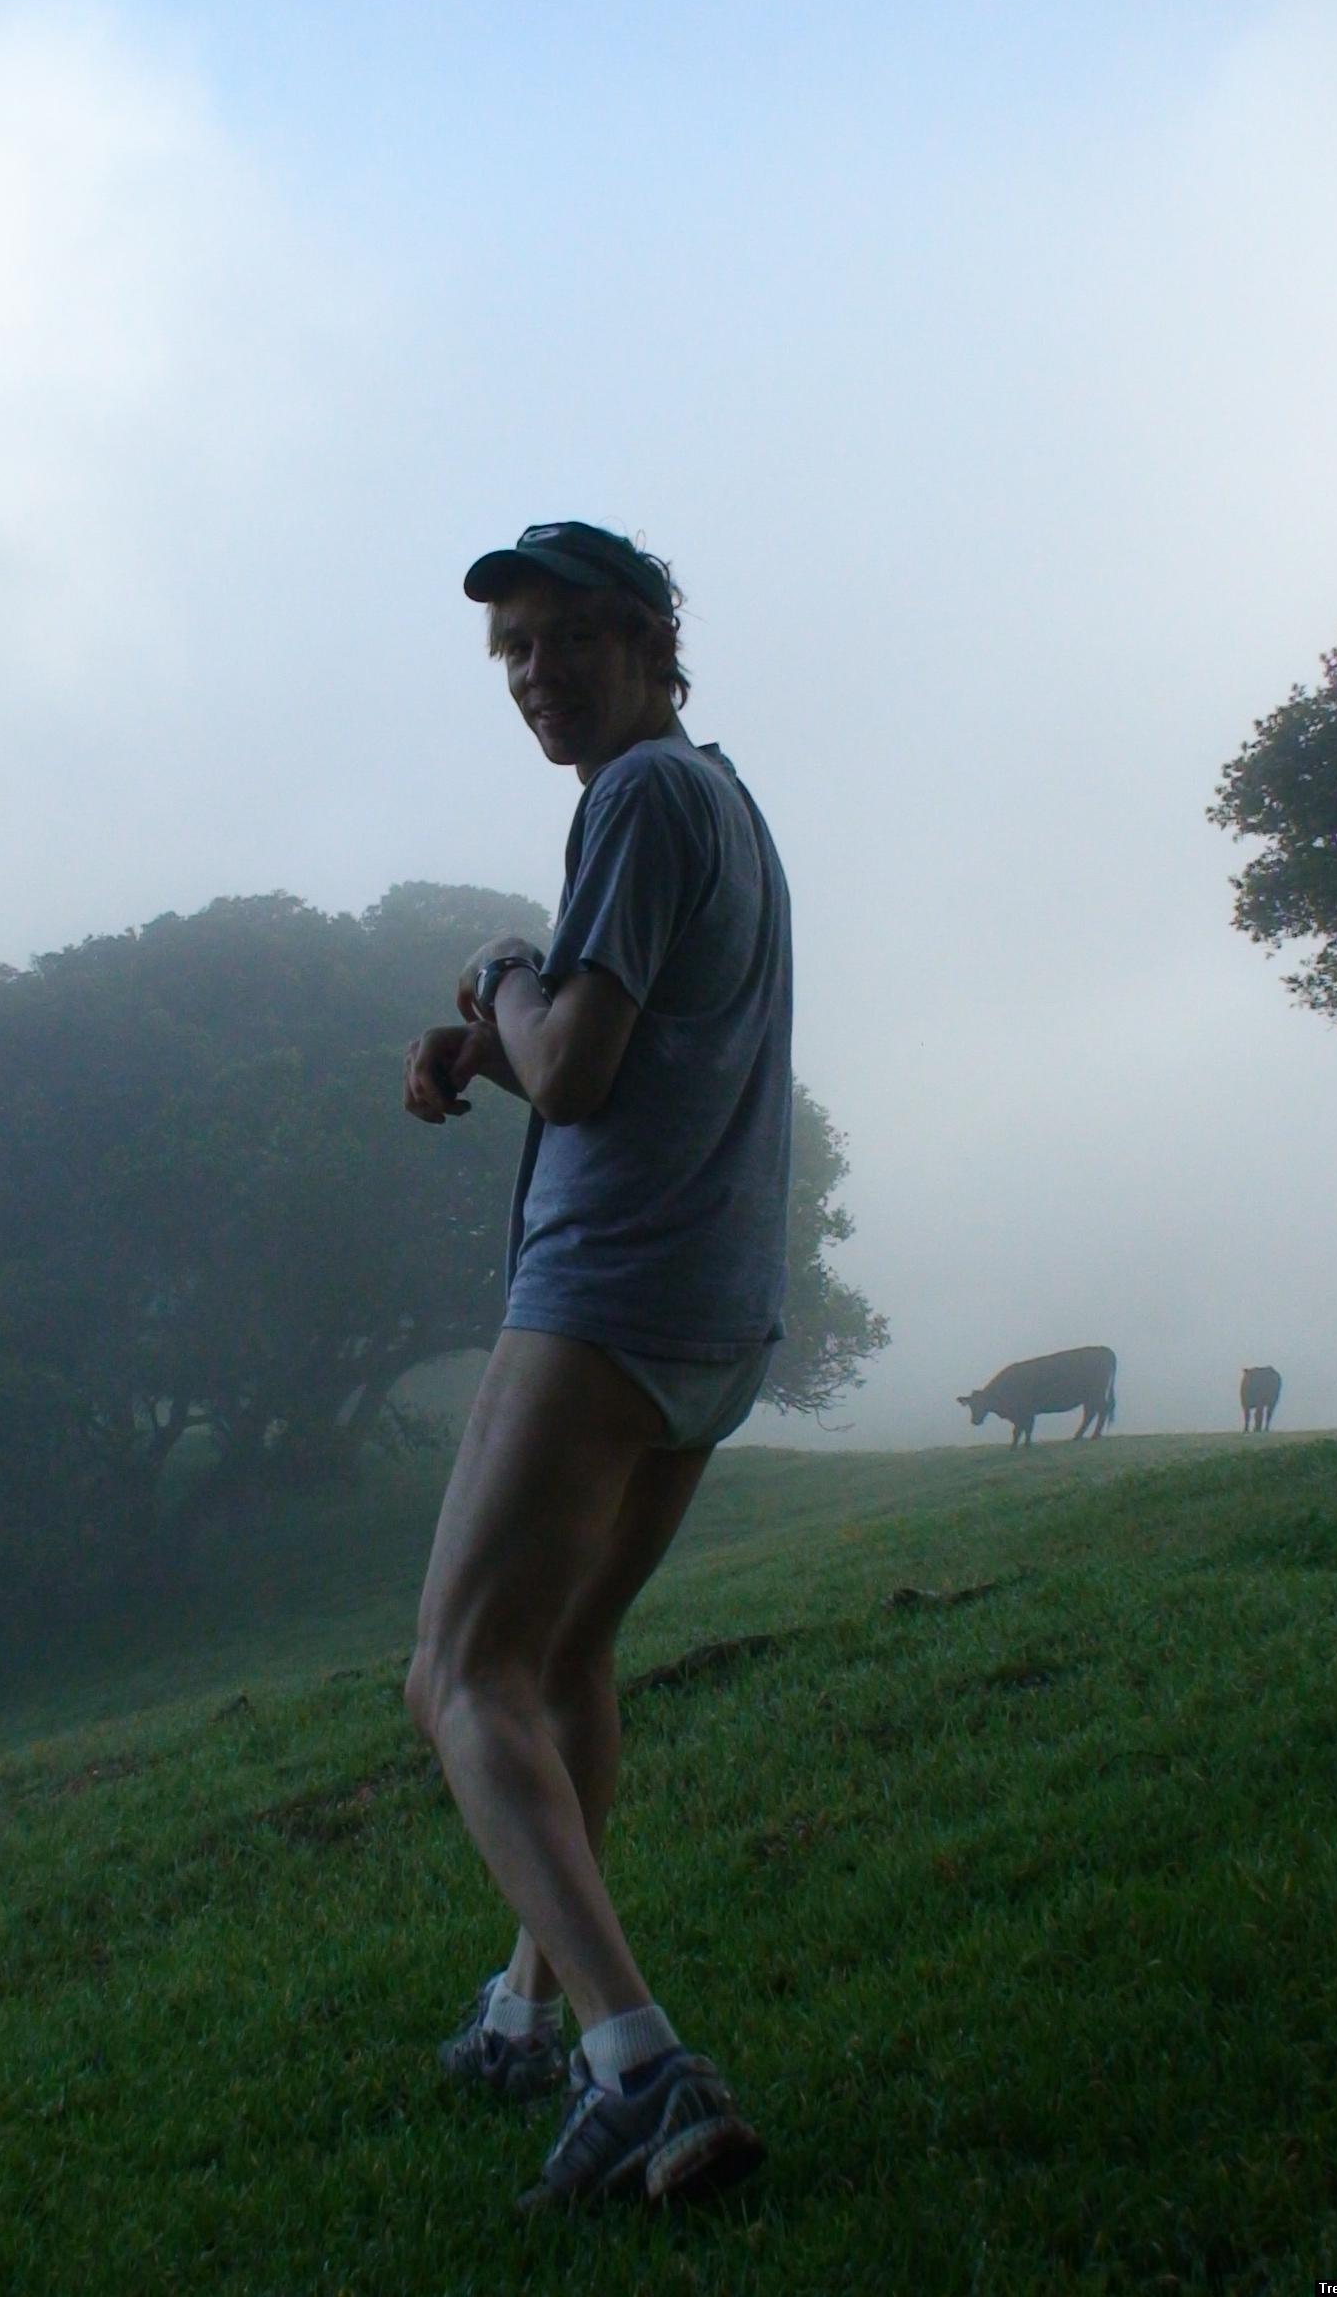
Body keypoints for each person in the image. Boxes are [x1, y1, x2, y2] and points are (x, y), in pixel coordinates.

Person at [401, 520, 793, 2210]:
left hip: (610, 1300)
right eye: (514, 658)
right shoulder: (724, 805)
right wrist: (504, 1042)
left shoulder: (636, 797)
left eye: (565, 641)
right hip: (712, 1309)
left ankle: (637, 2065)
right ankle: (520, 2009)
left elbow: (575, 1071)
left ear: (648, 641)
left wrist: (499, 972)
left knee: (459, 1674)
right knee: (564, 1670)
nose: (537, 678)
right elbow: (606, 1054)